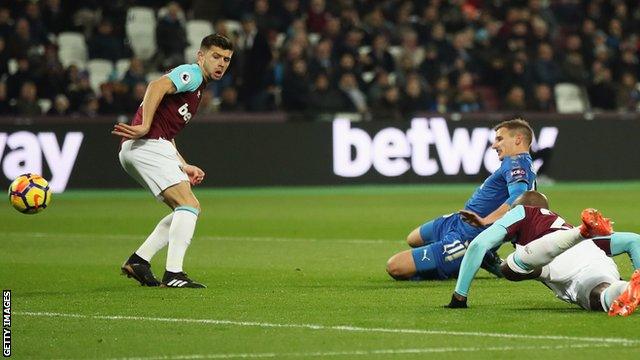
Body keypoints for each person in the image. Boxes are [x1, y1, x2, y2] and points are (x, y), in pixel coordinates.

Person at [112, 34, 233, 288]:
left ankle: (139, 261)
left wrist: (183, 164)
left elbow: (167, 132)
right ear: (201, 56)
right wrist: (144, 125)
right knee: (187, 204)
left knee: (188, 208)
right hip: (146, 145)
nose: (221, 63)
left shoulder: (198, 88)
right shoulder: (193, 74)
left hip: (146, 147)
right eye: (215, 56)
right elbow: (156, 86)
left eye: (226, 59)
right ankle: (174, 273)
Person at [386, 118, 537, 281]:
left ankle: (467, 257)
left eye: (500, 139)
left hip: (468, 236)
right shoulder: (518, 163)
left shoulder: (516, 163)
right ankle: (484, 256)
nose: (494, 145)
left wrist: (485, 221)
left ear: (518, 139)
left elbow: (518, 199)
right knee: (413, 239)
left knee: (394, 266)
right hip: (459, 221)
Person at [446, 191, 640, 317]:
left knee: (509, 267)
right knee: (603, 295)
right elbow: (633, 240)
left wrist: (459, 297)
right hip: (593, 257)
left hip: (554, 257)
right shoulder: (562, 225)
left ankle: (579, 232)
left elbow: (478, 245)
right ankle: (628, 287)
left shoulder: (523, 211)